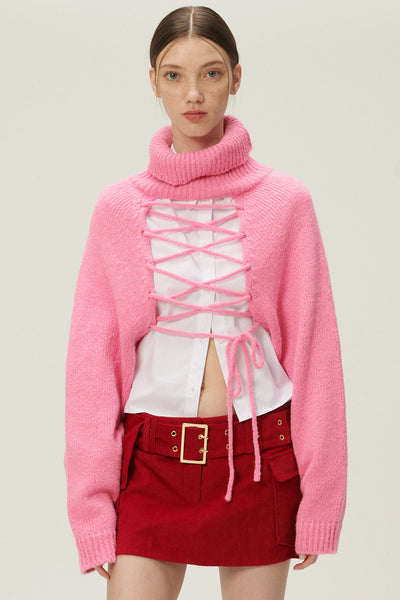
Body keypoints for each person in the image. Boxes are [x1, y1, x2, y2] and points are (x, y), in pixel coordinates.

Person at [64, 5, 347, 600]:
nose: (192, 93)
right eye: (174, 75)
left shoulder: (285, 202)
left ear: (236, 78)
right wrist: (90, 508)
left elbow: (315, 354)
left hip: (259, 457)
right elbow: (93, 369)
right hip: (152, 464)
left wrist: (322, 500)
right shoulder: (118, 209)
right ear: (153, 81)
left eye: (211, 74)